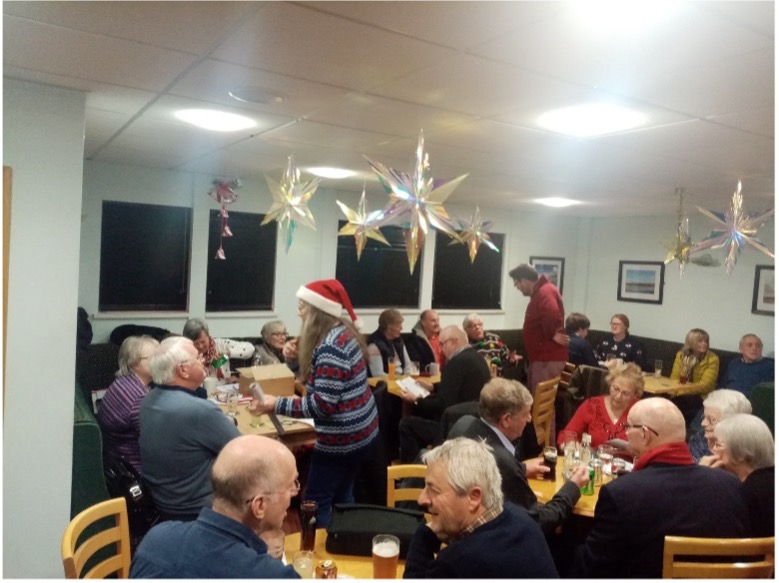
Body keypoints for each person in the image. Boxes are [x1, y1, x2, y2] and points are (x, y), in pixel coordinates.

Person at [572, 397, 749, 579]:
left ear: (644, 434)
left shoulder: (621, 493)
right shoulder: (731, 485)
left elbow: (592, 570)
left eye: (628, 427)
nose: (626, 433)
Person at [250, 279, 379, 527]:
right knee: (343, 496)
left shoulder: (330, 347)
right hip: (363, 433)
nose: (299, 312)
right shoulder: (342, 333)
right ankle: (345, 540)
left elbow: (321, 405)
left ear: (317, 311)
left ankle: (320, 548)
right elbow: (320, 380)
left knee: (315, 502)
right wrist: (294, 360)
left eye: (302, 307)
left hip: (343, 439)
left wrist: (275, 404)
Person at [130, 435, 299, 578]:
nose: (294, 491)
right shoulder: (274, 575)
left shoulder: (155, 540)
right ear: (259, 505)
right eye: (290, 485)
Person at [450, 377, 589, 536]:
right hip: (493, 538)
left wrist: (522, 468)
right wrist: (572, 487)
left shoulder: (463, 424)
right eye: (525, 414)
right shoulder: (503, 462)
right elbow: (536, 523)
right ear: (506, 420)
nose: (529, 419)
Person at [403, 437, 558, 578]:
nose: (421, 499)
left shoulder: (456, 564)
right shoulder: (524, 520)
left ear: (474, 497)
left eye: (434, 490)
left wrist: (423, 538)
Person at [139, 336, 241, 521]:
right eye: (198, 357)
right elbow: (241, 449)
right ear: (183, 370)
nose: (204, 360)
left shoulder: (148, 399)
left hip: (163, 503)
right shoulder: (200, 410)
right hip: (199, 508)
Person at [397, 325, 491, 463]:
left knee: (406, 424)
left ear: (454, 342)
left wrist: (416, 400)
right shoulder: (477, 357)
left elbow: (442, 405)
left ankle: (413, 471)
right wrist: (432, 387)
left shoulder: (455, 362)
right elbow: (459, 386)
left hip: (453, 427)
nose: (440, 349)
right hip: (475, 421)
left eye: (442, 344)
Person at [97, 335, 159, 474]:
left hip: (115, 462)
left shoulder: (122, 383)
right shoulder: (138, 398)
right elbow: (158, 442)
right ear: (134, 363)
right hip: (136, 471)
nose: (160, 362)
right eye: (154, 357)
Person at [508, 263, 568, 397]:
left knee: (541, 402)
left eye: (516, 284)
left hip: (546, 359)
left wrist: (551, 334)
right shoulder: (543, 291)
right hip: (542, 358)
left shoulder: (544, 292)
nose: (517, 288)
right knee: (536, 399)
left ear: (524, 280)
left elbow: (552, 313)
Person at [711, 414, 774, 536]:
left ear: (741, 454)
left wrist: (706, 478)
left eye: (718, 444)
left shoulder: (741, 494)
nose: (713, 449)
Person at [557, 363, 644, 449]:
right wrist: (570, 444)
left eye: (626, 393)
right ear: (610, 383)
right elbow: (567, 433)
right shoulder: (592, 405)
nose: (618, 396)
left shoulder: (641, 411)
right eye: (616, 389)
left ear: (635, 394)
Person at [690, 389, 752, 463]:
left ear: (733, 422)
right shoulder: (698, 440)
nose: (703, 423)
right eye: (704, 417)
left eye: (712, 420)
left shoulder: (750, 447)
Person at [182, 317, 255, 380]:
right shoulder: (183, 353)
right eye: (196, 344)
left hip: (223, 388)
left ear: (208, 336)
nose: (200, 346)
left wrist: (228, 352)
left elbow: (250, 348)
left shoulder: (220, 345)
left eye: (203, 342)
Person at [670, 328, 720, 393]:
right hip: (679, 391)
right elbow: (674, 378)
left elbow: (705, 386)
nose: (704, 344)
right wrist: (672, 393)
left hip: (700, 394)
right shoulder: (681, 355)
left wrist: (682, 392)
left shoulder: (713, 359)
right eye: (700, 341)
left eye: (706, 341)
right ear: (691, 342)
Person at [367, 308, 413, 377]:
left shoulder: (399, 341)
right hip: (387, 381)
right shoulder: (374, 345)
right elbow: (377, 374)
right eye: (398, 326)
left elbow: (408, 364)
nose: (401, 328)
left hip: (401, 379)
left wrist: (407, 375)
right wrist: (398, 379)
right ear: (389, 328)